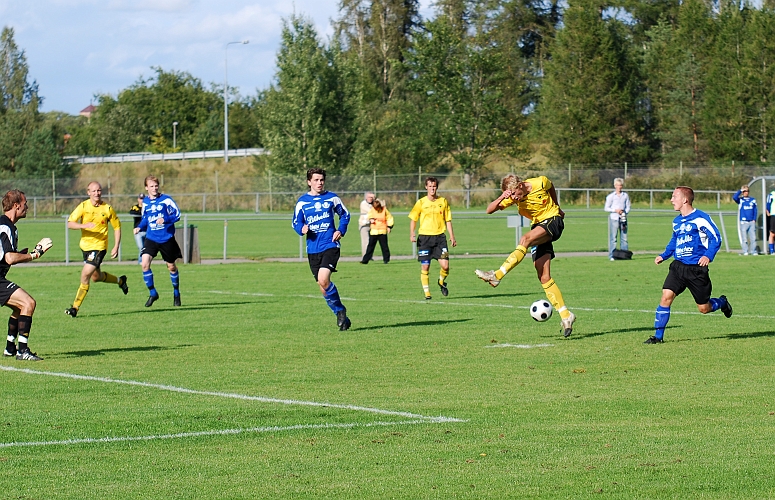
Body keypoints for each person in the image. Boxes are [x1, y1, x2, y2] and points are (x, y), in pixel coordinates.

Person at [474, 174, 576, 337]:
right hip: (539, 226)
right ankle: (566, 315)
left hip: (552, 220)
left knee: (525, 239)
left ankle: (497, 275)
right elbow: (489, 210)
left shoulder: (540, 182)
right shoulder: (513, 197)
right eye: (511, 196)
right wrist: (503, 196)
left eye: (514, 194)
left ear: (520, 185)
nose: (514, 198)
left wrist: (557, 206)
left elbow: (551, 187)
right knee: (543, 276)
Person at [645, 186, 732, 344]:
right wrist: (663, 255)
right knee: (666, 297)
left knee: (704, 308)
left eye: (674, 196)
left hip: (696, 269)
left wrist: (708, 255)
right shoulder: (677, 221)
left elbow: (716, 238)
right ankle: (657, 338)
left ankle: (722, 302)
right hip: (678, 267)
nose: (671, 200)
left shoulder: (700, 218)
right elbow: (674, 241)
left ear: (685, 199)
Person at [292, 167, 352, 330]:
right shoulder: (302, 202)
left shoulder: (332, 198)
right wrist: (301, 229)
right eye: (316, 180)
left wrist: (341, 230)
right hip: (313, 249)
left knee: (324, 279)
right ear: (309, 182)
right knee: (322, 285)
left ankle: (340, 310)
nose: (319, 183)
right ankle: (341, 316)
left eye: (322, 180)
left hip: (330, 245)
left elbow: (345, 215)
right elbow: (295, 222)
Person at [1, 190, 52, 361]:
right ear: (16, 206)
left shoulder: (9, 226)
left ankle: (10, 347)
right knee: (28, 303)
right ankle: (23, 350)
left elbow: (7, 255)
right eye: (25, 203)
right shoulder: (5, 226)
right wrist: (34, 254)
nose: (27, 207)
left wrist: (22, 254)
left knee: (19, 307)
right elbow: (9, 258)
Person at [65, 182, 128, 318]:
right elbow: (70, 223)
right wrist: (84, 225)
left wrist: (116, 245)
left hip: (99, 247)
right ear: (88, 192)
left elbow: (117, 227)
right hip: (85, 247)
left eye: (99, 190)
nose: (97, 193)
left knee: (85, 275)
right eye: (93, 191)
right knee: (95, 277)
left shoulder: (108, 209)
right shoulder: (83, 206)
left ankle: (75, 307)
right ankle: (120, 281)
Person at [134, 175, 183, 307]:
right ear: (146, 188)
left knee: (171, 267)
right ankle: (153, 293)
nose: (154, 188)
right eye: (151, 186)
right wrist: (139, 226)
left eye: (156, 186)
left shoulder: (166, 200)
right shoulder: (145, 202)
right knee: (144, 264)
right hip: (151, 238)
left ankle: (176, 292)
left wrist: (165, 220)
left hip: (166, 238)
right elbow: (145, 218)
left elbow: (177, 214)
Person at [409, 177, 457, 300]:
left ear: (437, 187)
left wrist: (452, 236)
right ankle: (427, 293)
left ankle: (441, 281)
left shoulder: (443, 201)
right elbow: (414, 219)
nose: (432, 188)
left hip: (440, 238)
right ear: (426, 187)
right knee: (425, 266)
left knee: (445, 266)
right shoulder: (421, 202)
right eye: (430, 186)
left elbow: (448, 220)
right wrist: (412, 233)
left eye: (434, 186)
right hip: (425, 238)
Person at [604, 177, 631, 260]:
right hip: (614, 219)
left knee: (624, 238)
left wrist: (624, 212)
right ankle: (612, 255)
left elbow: (628, 206)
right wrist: (615, 210)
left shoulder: (625, 195)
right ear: (615, 186)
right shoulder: (611, 196)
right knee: (613, 238)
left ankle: (624, 255)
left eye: (620, 185)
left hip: (623, 219)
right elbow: (606, 208)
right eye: (617, 185)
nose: (619, 187)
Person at [360, 198, 393, 264]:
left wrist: (389, 226)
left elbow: (389, 218)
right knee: (370, 247)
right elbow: (368, 216)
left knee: (384, 247)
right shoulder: (372, 210)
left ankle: (386, 260)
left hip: (382, 231)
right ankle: (365, 260)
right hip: (374, 231)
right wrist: (370, 219)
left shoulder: (384, 210)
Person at [733, 185, 757, 255]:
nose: (746, 192)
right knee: (744, 238)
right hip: (744, 222)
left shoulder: (753, 200)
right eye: (744, 191)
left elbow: (755, 210)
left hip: (751, 221)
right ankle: (745, 251)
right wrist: (740, 191)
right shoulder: (741, 200)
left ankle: (753, 251)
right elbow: (734, 197)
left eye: (747, 191)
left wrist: (754, 219)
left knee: (753, 238)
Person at [129, 193, 146, 263]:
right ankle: (140, 261)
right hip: (138, 231)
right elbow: (132, 212)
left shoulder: (147, 206)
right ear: (138, 199)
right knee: (141, 247)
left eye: (143, 199)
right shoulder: (135, 207)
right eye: (140, 199)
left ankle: (143, 261)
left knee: (145, 248)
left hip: (146, 230)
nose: (142, 200)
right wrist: (141, 213)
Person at [358, 192, 375, 259]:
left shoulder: (373, 203)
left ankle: (370, 256)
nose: (371, 199)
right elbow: (371, 211)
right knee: (366, 241)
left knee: (371, 242)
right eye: (370, 197)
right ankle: (365, 256)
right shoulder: (363, 204)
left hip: (372, 225)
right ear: (366, 197)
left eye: (372, 197)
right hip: (364, 225)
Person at [766, 187, 775, 254]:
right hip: (773, 215)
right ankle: (771, 250)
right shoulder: (772, 194)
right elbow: (768, 203)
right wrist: (768, 211)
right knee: (772, 233)